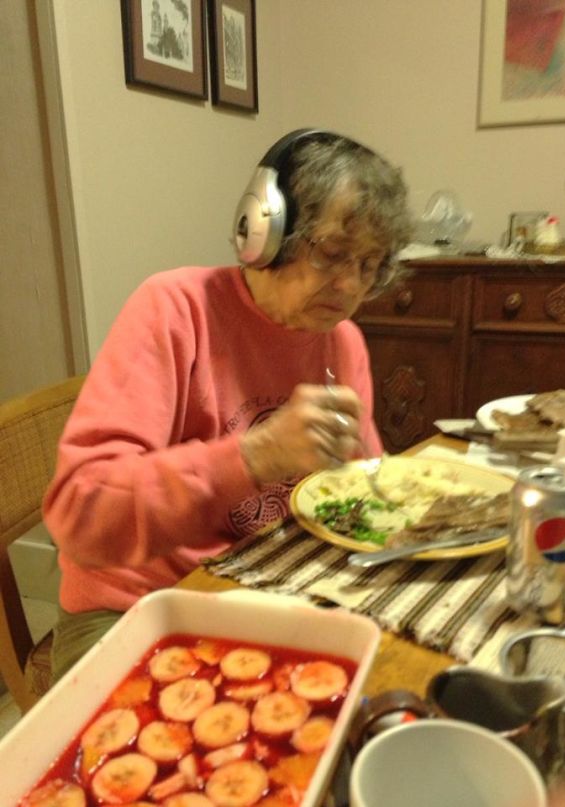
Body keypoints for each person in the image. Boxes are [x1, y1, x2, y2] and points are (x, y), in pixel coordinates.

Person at [43, 128, 410, 681]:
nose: (350, 285)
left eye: (369, 265)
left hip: (269, 583)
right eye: (334, 254)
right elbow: (81, 513)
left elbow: (365, 488)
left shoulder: (343, 341)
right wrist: (254, 456)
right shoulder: (173, 311)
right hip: (138, 605)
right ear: (266, 232)